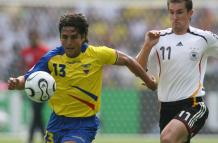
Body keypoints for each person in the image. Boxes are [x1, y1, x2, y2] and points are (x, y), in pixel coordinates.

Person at [8, 12, 156, 143]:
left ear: (83, 37)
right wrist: (17, 82)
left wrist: (148, 81)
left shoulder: (97, 54)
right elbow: (29, 78)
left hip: (84, 123)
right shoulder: (51, 58)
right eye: (64, 37)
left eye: (73, 37)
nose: (68, 42)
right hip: (57, 121)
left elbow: (128, 60)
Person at [136, 0, 218, 143]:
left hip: (193, 105)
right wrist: (147, 45)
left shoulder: (204, 38)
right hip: (166, 108)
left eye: (179, 12)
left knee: (168, 138)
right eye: (171, 12)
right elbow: (138, 69)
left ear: (190, 13)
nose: (175, 17)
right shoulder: (157, 38)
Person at [20, 30, 49, 143]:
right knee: (37, 112)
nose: (32, 40)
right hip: (29, 85)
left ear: (38, 38)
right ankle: (42, 137)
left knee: (36, 111)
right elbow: (22, 67)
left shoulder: (44, 51)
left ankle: (32, 138)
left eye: (34, 37)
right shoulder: (25, 52)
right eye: (30, 37)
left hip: (42, 86)